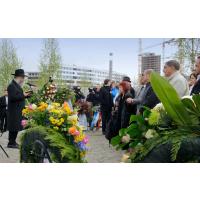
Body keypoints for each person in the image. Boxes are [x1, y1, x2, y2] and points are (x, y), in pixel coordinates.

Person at [7, 69, 32, 148]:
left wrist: (27, 95)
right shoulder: (11, 86)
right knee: (13, 127)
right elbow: (13, 97)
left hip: (18, 110)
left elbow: (19, 96)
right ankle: (11, 143)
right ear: (19, 77)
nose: (23, 79)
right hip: (14, 111)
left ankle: (13, 142)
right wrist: (23, 95)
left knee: (16, 126)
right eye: (23, 77)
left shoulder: (16, 85)